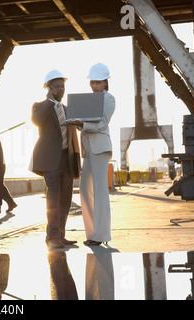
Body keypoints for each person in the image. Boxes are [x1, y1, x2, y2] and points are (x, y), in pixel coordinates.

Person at [29, 69, 81, 249]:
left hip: (68, 159)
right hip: (50, 160)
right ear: (49, 89)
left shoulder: (69, 109)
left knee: (65, 200)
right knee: (53, 198)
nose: (60, 89)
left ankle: (61, 235)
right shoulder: (39, 106)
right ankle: (51, 237)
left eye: (62, 86)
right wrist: (50, 101)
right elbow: (36, 120)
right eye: (56, 86)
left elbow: (80, 129)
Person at [67, 63, 115, 246]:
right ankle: (92, 234)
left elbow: (102, 123)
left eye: (98, 82)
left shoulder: (108, 99)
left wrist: (82, 124)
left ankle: (101, 236)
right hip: (88, 149)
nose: (94, 86)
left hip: (100, 148)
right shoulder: (89, 100)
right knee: (85, 192)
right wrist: (78, 123)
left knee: (100, 192)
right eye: (92, 82)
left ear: (105, 82)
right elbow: (85, 125)